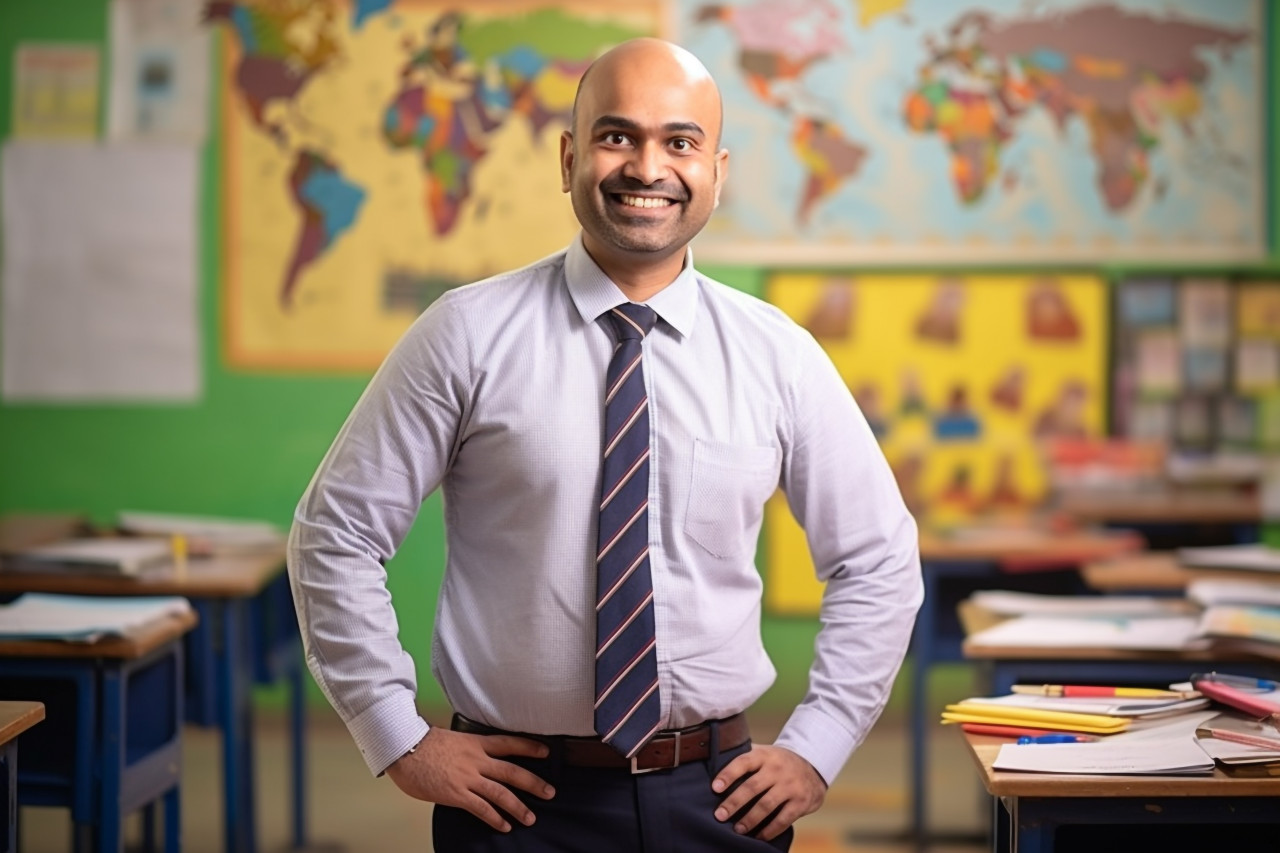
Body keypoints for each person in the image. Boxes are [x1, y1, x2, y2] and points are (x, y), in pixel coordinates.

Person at [288, 37, 922, 852]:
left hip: (720, 802)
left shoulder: (779, 356)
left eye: (679, 142)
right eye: (616, 135)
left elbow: (877, 558)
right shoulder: (465, 335)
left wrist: (818, 744)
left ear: (716, 173)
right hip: (514, 806)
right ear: (569, 157)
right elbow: (334, 533)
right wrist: (397, 736)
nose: (646, 166)